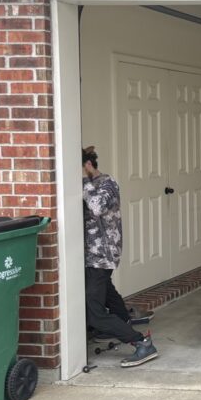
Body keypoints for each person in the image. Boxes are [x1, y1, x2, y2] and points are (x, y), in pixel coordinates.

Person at [83, 146, 158, 367]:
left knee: (94, 311)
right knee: (108, 294)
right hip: (89, 256)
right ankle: (122, 323)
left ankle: (141, 342)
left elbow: (96, 208)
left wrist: (83, 182)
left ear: (88, 165)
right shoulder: (85, 186)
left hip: (102, 254)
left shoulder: (108, 183)